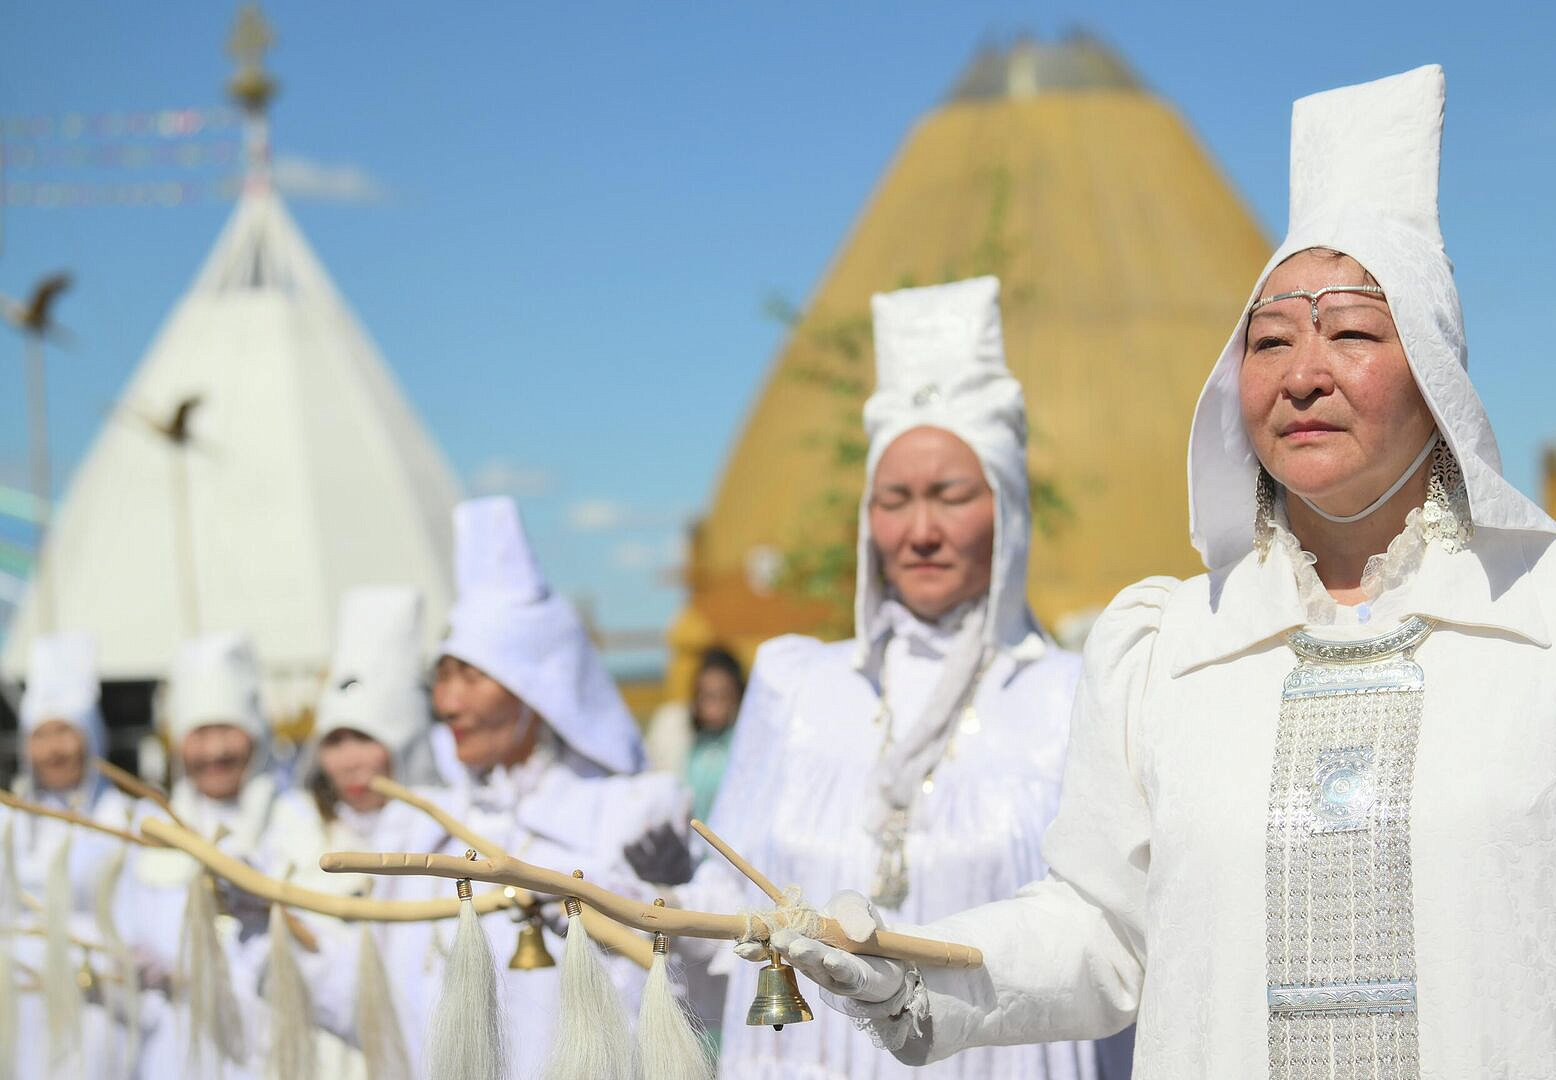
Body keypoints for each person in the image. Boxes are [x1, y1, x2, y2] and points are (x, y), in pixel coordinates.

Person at [762, 67, 1556, 1079]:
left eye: (1354, 335)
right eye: (1270, 340)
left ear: (1439, 379)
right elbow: (1102, 934)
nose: (1304, 371)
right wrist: (909, 970)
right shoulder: (1166, 649)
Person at [681, 276, 1106, 1079]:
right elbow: (720, 891)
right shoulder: (796, 684)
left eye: (950, 496)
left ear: (1007, 508)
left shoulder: (1071, 692)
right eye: (893, 500)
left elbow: (1108, 937)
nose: (920, 532)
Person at [359, 495, 692, 1077]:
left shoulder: (625, 817)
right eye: (443, 677)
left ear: (535, 692)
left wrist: (668, 900)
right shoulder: (418, 825)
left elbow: (678, 1004)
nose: (448, 703)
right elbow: (370, 1002)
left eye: (471, 678)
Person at [250, 584, 440, 1079]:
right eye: (335, 741)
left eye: (365, 739)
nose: (350, 761)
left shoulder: (442, 837)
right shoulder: (293, 829)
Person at [129, 630, 284, 1075]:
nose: (214, 751)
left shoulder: (298, 823)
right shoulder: (148, 831)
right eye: (200, 733)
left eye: (227, 731)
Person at [5, 632, 144, 1078]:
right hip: (21, 1010)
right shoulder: (9, 822)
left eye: (65, 731)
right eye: (41, 735)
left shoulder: (128, 817)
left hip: (101, 1011)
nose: (54, 749)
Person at [685, 646, 744, 824]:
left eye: (722, 696)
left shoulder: (741, 747)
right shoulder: (695, 745)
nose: (714, 706)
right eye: (708, 696)